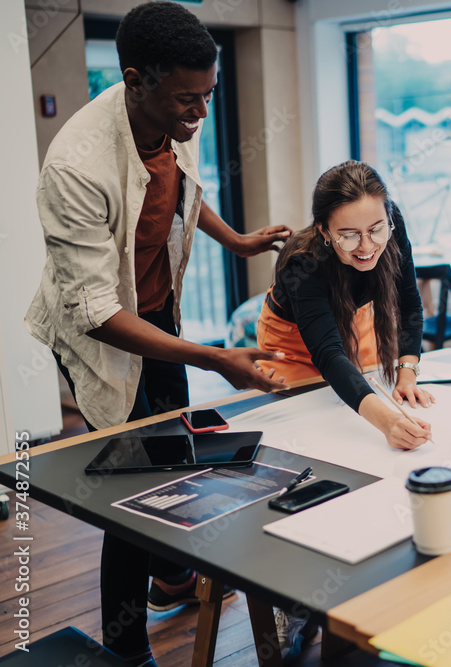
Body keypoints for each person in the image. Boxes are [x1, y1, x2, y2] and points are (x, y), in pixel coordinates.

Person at [25, 3, 291, 664]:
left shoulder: (171, 109)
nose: (199, 114)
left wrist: (238, 242)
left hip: (154, 309)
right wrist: (213, 358)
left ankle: (171, 579)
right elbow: (93, 312)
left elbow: (180, 188)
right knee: (132, 488)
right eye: (186, 100)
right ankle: (126, 644)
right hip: (102, 329)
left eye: (208, 96)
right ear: (136, 79)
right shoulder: (76, 166)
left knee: (174, 447)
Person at [255, 160, 431, 659]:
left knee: (372, 460)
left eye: (376, 229)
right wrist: (384, 419)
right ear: (324, 232)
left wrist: (408, 374)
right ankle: (296, 598)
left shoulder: (388, 231)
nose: (367, 246)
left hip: (356, 328)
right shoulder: (302, 263)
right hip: (294, 347)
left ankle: (366, 573)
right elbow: (328, 355)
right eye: (348, 235)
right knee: (311, 456)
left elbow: (410, 305)